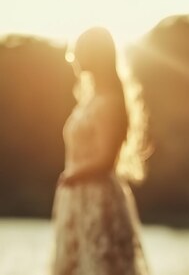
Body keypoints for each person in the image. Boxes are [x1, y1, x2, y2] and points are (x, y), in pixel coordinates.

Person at [52, 27, 149, 275]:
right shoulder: (89, 99)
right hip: (76, 199)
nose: (75, 55)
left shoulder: (112, 102)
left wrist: (72, 175)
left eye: (81, 49)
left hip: (99, 200)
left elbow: (106, 158)